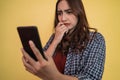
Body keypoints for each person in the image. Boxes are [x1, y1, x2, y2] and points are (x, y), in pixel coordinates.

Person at [21, 0, 106, 80]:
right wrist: (55, 40)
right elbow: (41, 64)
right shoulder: (55, 36)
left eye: (69, 12)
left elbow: (92, 78)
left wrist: (56, 77)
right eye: (59, 13)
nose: (63, 18)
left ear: (79, 12)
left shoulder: (95, 39)